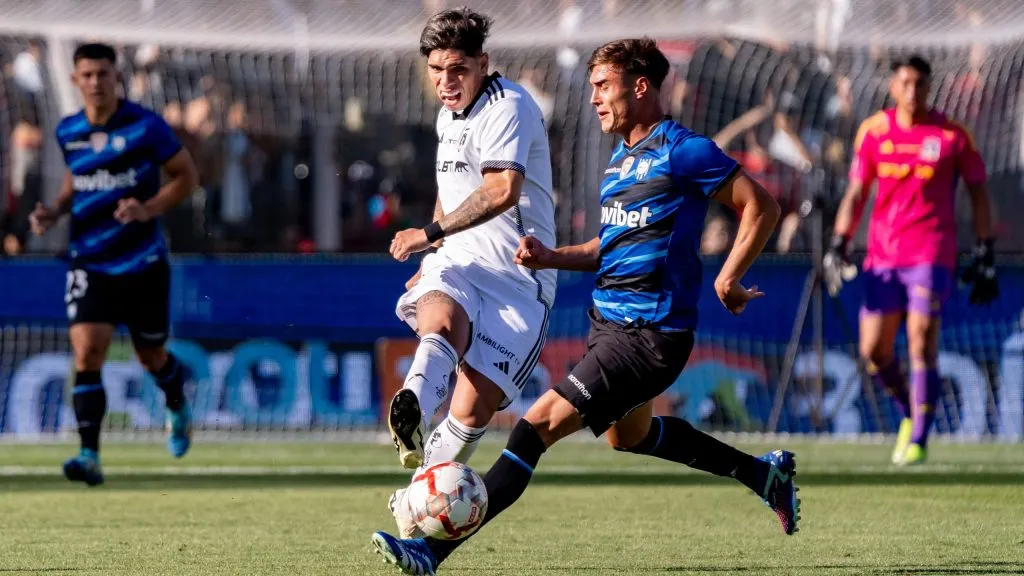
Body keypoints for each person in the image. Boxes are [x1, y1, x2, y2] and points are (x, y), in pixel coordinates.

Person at [371, 37, 796, 576]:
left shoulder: (684, 151)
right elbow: (608, 248)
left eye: (602, 86)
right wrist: (550, 256)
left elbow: (761, 205)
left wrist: (730, 275)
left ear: (640, 86)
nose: (594, 98)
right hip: (609, 326)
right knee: (631, 436)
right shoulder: (622, 160)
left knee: (534, 428)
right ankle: (764, 476)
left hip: (649, 335)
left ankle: (430, 552)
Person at [384, 8, 557, 536]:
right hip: (459, 260)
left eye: (456, 69)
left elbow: (501, 191)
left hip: (519, 281)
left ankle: (415, 503)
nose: (444, 81)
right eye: (436, 70)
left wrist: (428, 235)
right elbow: (451, 189)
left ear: (483, 63)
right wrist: (435, 253)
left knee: (470, 417)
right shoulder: (447, 115)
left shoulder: (511, 106)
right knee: (439, 321)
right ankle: (412, 404)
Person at [29, 43, 199, 486]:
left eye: (103, 74)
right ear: (74, 80)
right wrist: (56, 210)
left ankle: (176, 400)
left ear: (116, 76)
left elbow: (187, 175)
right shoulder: (68, 131)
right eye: (86, 75)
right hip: (89, 260)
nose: (95, 83)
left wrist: (149, 208)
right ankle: (89, 455)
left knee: (150, 356)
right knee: (87, 352)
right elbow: (77, 179)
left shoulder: (145, 126)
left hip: (142, 262)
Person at [824, 55, 996, 466]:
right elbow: (856, 192)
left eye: (921, 83)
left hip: (931, 253)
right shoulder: (873, 132)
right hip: (883, 258)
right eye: (906, 83)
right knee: (874, 352)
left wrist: (986, 248)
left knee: (921, 339)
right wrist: (839, 242)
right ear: (893, 86)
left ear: (930, 87)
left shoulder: (953, 136)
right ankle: (909, 410)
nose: (913, 91)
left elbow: (978, 191)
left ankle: (919, 438)